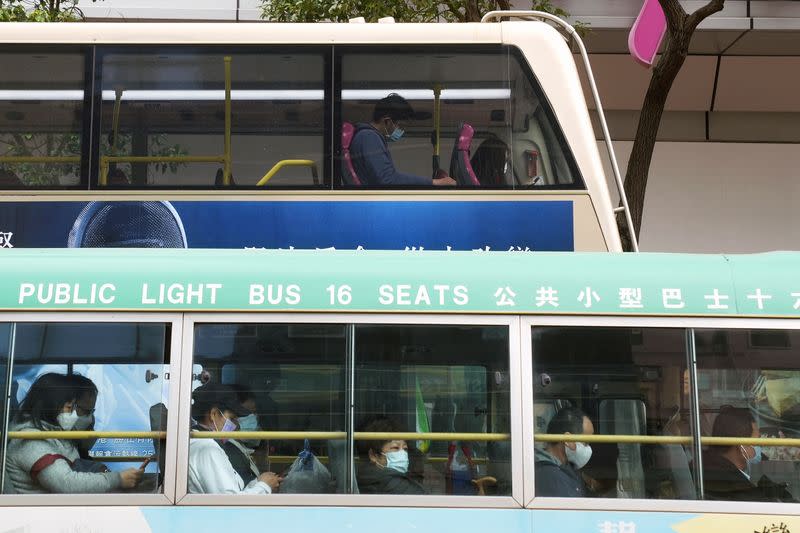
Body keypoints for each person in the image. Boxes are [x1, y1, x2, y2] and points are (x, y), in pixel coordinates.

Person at [4, 373, 143, 494]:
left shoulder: (53, 433)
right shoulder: (30, 439)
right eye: (69, 408)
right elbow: (67, 483)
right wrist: (117, 479)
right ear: (52, 406)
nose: (73, 415)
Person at [188, 383, 281, 494]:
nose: (236, 425)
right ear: (214, 414)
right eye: (232, 418)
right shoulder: (208, 449)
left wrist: (258, 482)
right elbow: (230, 503)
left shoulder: (203, 443)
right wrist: (265, 486)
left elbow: (233, 490)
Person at [348, 93, 456, 187]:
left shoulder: (368, 137)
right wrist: (434, 183)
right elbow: (388, 180)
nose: (401, 131)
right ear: (387, 121)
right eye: (400, 126)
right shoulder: (369, 138)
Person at [702, 406, 794, 502]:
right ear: (741, 446)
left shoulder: (705, 467)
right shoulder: (734, 484)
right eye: (756, 442)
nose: (759, 447)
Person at [355, 416, 425, 495]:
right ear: (373, 455)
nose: (402, 454)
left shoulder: (361, 479)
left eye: (405, 449)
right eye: (395, 448)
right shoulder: (395, 485)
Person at [534, 407, 594, 497]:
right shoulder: (550, 476)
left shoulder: (564, 467)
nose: (588, 449)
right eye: (585, 443)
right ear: (568, 440)